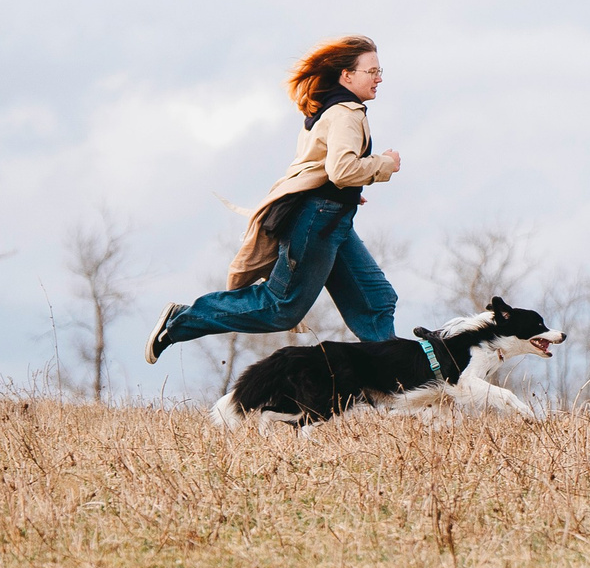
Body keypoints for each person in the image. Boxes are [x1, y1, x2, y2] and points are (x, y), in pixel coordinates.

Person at [146, 35, 404, 362]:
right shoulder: (345, 112)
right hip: (319, 221)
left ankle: (397, 380)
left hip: (331, 216)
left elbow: (319, 167)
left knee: (376, 302)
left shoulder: (330, 109)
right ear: (346, 75)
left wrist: (352, 193)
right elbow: (341, 170)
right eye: (372, 71)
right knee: (281, 308)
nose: (379, 77)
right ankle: (181, 320)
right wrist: (385, 164)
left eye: (380, 70)